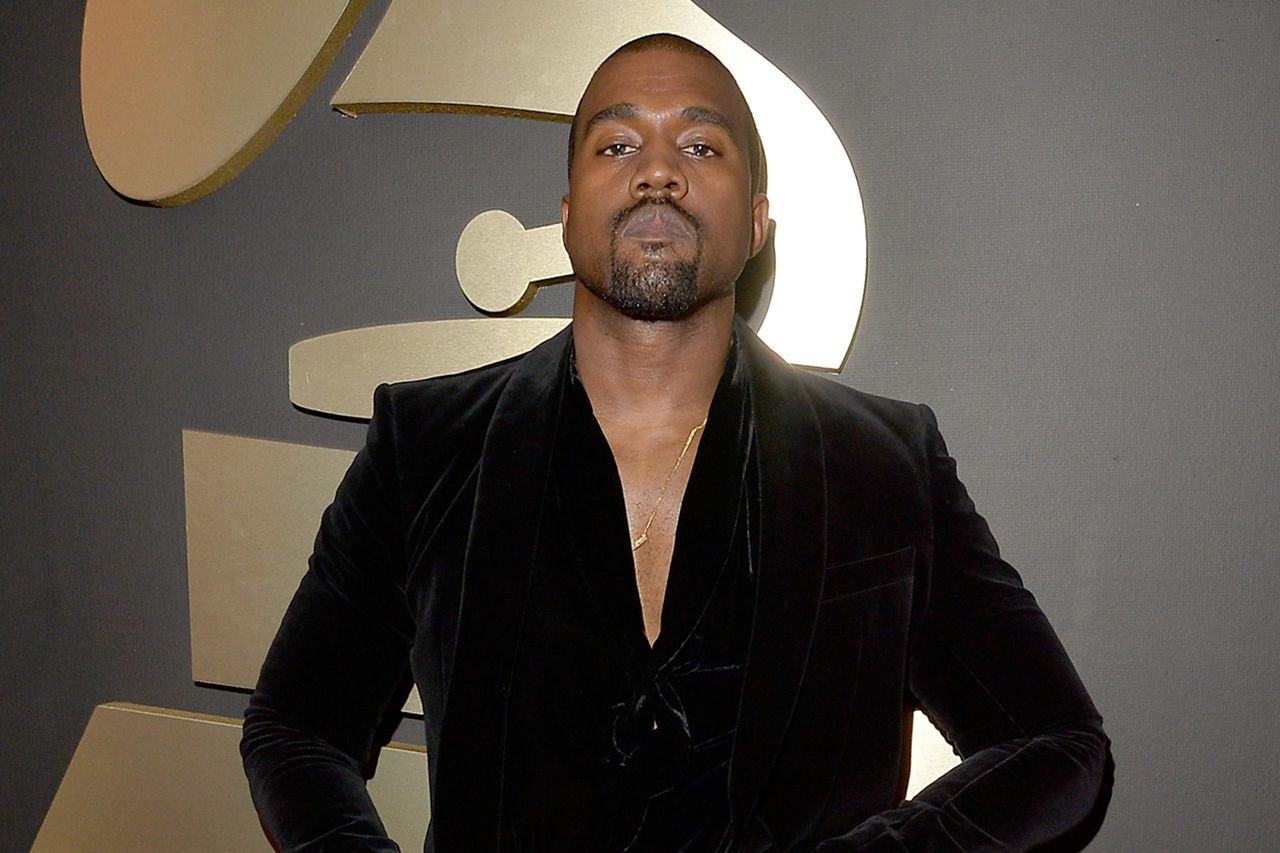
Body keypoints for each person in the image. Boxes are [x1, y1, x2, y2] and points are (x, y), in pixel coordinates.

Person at [242, 33, 1112, 852]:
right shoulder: (425, 446)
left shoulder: (886, 463)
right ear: (569, 211)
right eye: (617, 146)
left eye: (702, 148)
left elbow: (1060, 745)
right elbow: (294, 727)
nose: (658, 171)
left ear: (760, 220)